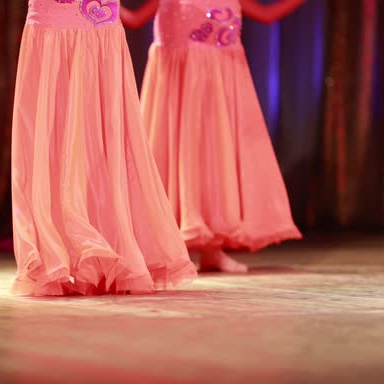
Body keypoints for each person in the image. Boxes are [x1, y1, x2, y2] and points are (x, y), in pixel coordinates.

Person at [11, 0, 198, 296]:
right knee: (55, 136)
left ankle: (103, 256)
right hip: (53, 29)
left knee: (102, 143)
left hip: (101, 34)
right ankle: (58, 257)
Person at [122, 0, 304, 272]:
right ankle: (167, 248)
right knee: (177, 157)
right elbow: (136, 20)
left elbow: (267, 15)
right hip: (178, 91)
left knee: (214, 160)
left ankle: (212, 250)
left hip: (220, 91)